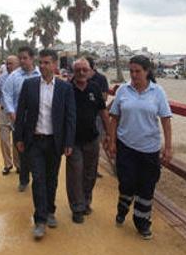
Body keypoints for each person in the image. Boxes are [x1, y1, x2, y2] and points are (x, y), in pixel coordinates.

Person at [107, 55, 173, 240]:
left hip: (150, 149)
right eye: (132, 71)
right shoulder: (123, 90)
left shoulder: (158, 92)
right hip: (126, 146)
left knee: (146, 187)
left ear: (147, 71)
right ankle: (122, 208)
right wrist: (112, 141)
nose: (134, 75)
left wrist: (168, 147)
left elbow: (166, 120)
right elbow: (114, 118)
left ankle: (142, 222)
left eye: (138, 71)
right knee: (126, 183)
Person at [14, 49, 75, 239]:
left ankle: (50, 211)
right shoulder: (29, 84)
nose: (43, 66)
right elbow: (21, 113)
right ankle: (40, 220)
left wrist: (68, 142)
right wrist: (19, 138)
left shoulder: (65, 88)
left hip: (54, 142)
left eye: (47, 63)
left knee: (52, 179)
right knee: (38, 179)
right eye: (41, 62)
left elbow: (70, 117)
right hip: (35, 141)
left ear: (55, 65)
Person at [67, 58, 111, 223]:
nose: (82, 73)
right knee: (75, 174)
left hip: (92, 138)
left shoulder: (94, 87)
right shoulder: (67, 88)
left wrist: (109, 134)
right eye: (78, 70)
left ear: (90, 71)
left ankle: (86, 201)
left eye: (85, 70)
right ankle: (77, 208)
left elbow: (103, 112)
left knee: (90, 174)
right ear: (73, 71)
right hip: (73, 141)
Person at [2, 46, 41, 191]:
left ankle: (38, 179)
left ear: (32, 58)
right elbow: (6, 95)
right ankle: (24, 179)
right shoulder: (14, 76)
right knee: (23, 152)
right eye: (21, 58)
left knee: (37, 151)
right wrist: (11, 112)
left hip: (39, 121)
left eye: (25, 58)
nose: (22, 61)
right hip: (21, 121)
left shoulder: (40, 74)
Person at [0, 55, 19, 175]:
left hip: (17, 112)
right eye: (7, 63)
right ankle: (7, 164)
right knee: (4, 140)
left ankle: (18, 164)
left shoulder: (22, 78)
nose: (9, 66)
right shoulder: (1, 79)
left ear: (17, 64)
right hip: (4, 112)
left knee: (17, 140)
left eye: (11, 63)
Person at [87, 57, 110, 177]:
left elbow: (105, 97)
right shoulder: (78, 77)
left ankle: (93, 170)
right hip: (83, 116)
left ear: (92, 68)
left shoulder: (101, 79)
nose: (83, 72)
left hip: (97, 115)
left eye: (87, 69)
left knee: (96, 143)